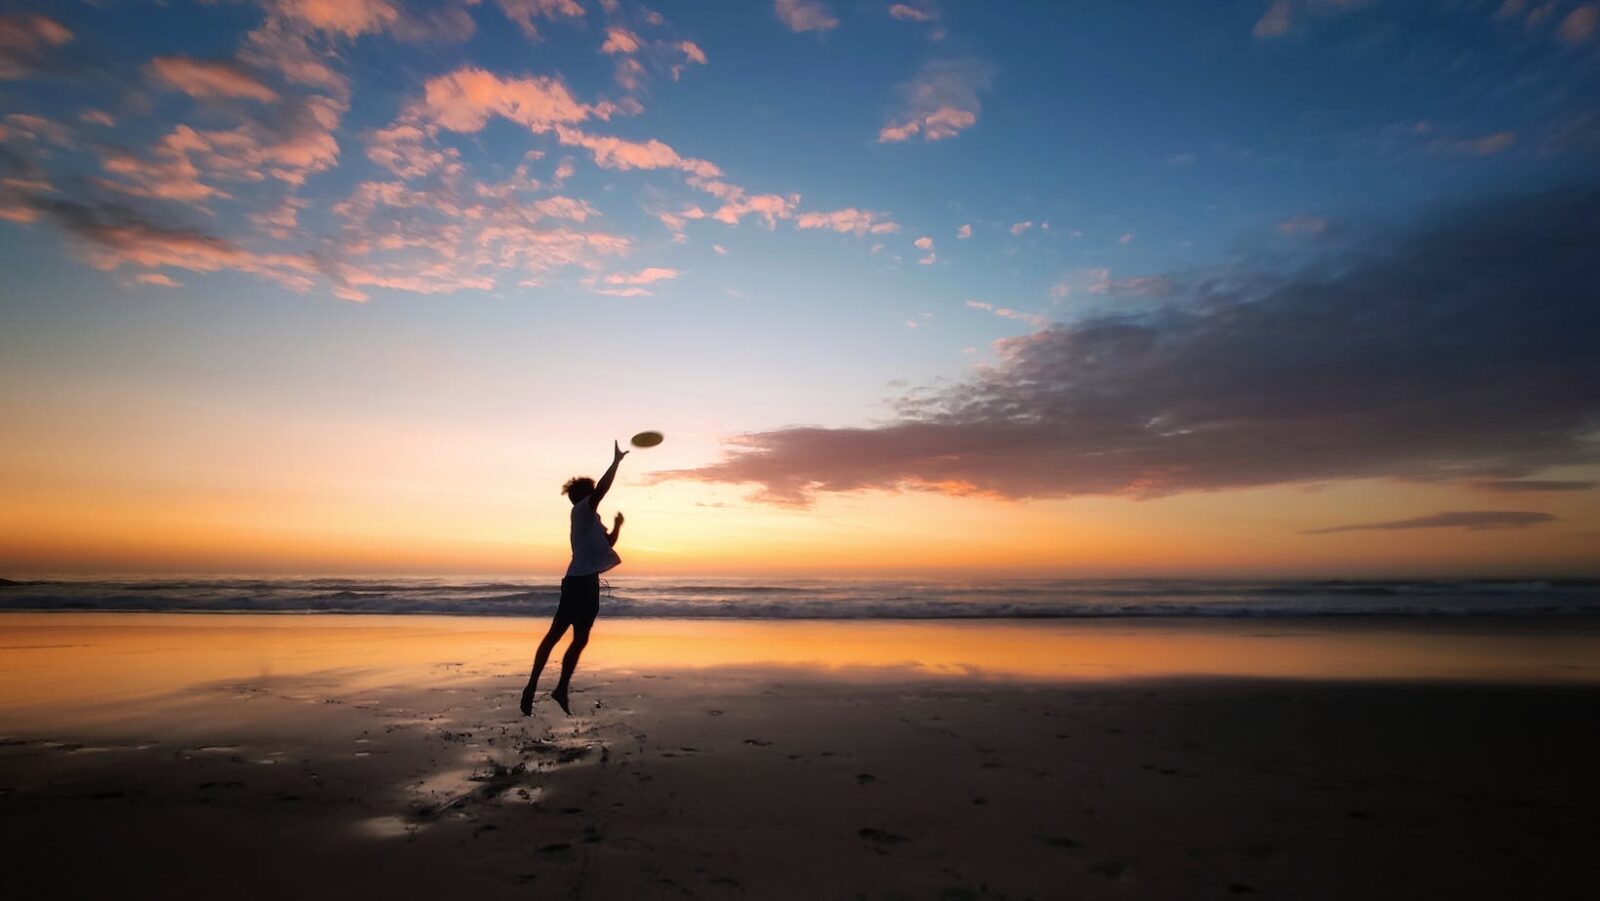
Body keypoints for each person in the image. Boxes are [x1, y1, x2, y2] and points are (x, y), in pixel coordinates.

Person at [520, 440, 627, 716]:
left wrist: (617, 526)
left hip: (587, 583)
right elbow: (601, 490)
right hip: (579, 582)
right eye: (592, 493)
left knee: (579, 639)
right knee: (556, 635)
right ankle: (532, 685)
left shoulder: (591, 518)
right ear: (584, 496)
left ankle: (560, 688)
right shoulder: (581, 510)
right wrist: (615, 463)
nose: (596, 495)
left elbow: (609, 544)